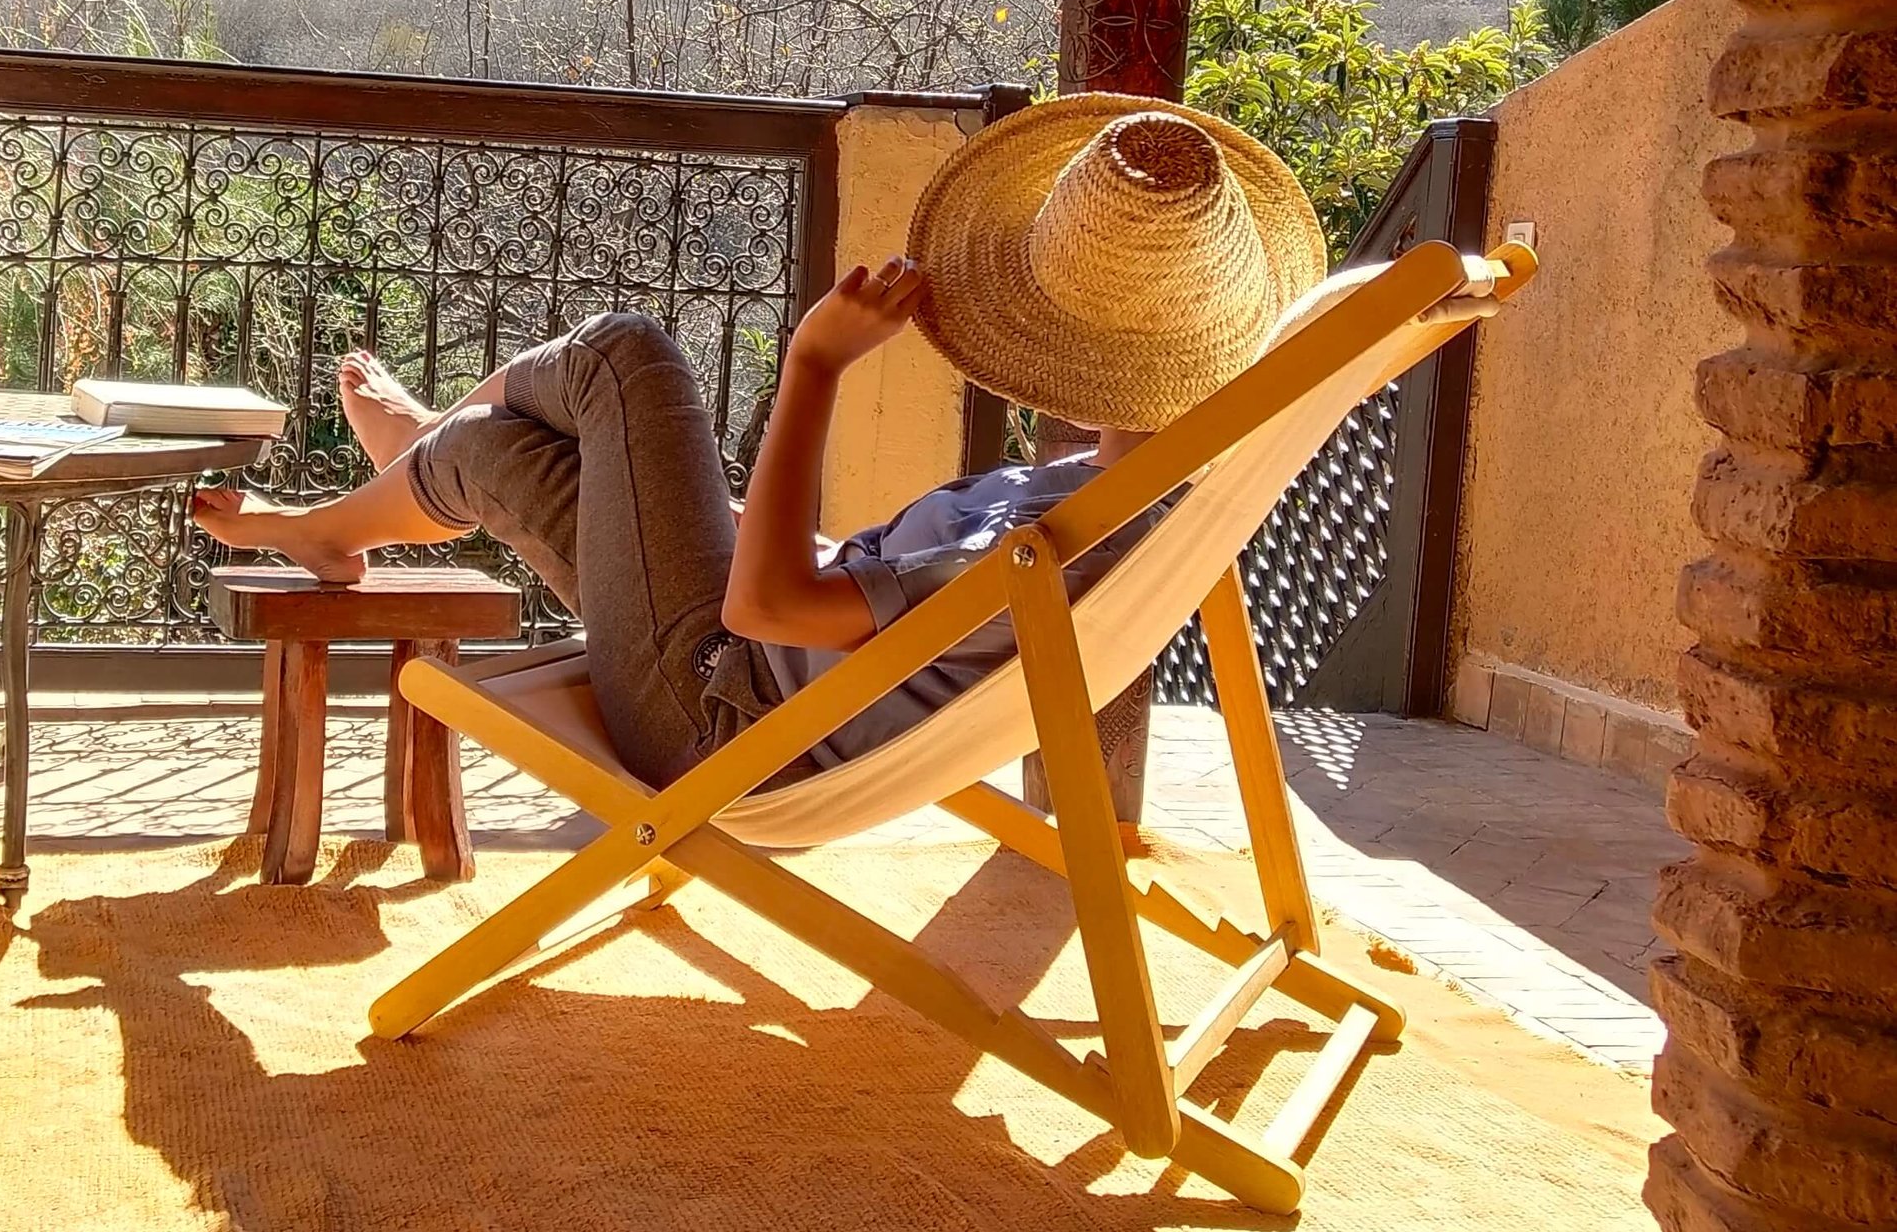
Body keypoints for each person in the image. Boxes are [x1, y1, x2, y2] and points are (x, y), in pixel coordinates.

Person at [193, 96, 1326, 790]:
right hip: (748, 666)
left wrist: (815, 367)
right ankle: (350, 523)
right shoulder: (1117, 490)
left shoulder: (1058, 542)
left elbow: (770, 613)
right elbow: (842, 588)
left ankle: (405, 455)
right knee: (502, 452)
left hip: (717, 711)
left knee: (624, 355)